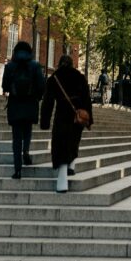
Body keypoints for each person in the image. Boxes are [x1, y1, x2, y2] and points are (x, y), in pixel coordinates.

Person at [40, 54, 92, 193]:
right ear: (71, 64)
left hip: (62, 115)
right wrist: (89, 120)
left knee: (60, 144)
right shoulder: (79, 77)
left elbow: (47, 102)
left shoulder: (54, 78)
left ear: (59, 64)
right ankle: (72, 165)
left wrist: (44, 121)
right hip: (78, 115)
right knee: (73, 141)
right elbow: (87, 100)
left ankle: (62, 180)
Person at [2, 40, 45, 179]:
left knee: (16, 137)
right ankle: (26, 151)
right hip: (30, 104)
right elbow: (41, 86)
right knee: (27, 130)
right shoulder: (35, 66)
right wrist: (37, 98)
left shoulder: (10, 66)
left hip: (15, 105)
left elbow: (5, 86)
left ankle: (17, 169)